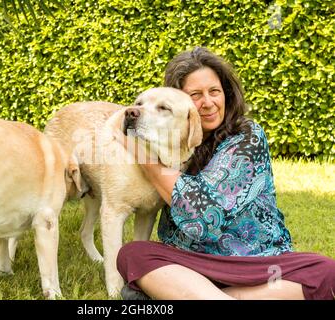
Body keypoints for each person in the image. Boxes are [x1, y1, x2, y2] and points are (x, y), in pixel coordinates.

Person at [116, 46, 335, 300]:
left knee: (326, 272)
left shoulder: (247, 137)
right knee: (134, 254)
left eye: (214, 92)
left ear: (226, 94)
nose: (208, 103)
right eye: (195, 95)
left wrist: (145, 160)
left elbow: (205, 219)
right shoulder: (168, 144)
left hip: (255, 264)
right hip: (190, 264)